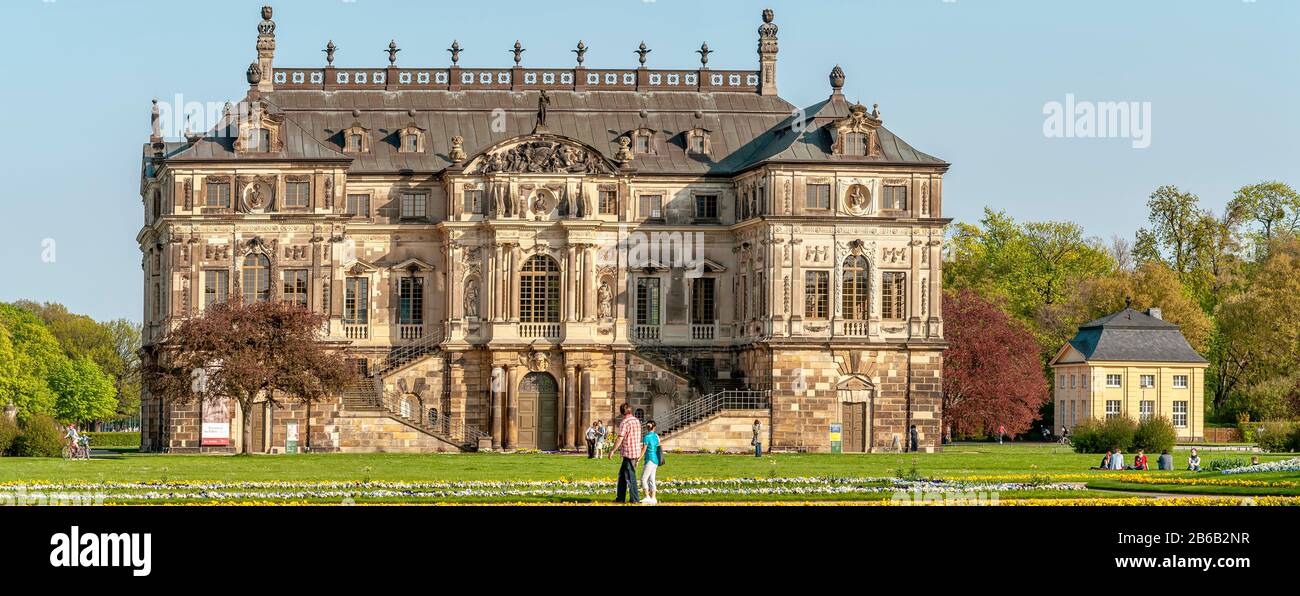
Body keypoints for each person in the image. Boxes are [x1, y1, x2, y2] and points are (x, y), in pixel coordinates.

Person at [607, 403, 641, 504]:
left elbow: (620, 438)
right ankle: (620, 498)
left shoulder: (625, 422)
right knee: (622, 475)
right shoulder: (636, 421)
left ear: (622, 412)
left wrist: (612, 450)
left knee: (630, 476)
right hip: (635, 451)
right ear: (630, 410)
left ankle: (635, 499)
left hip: (628, 452)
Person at [640, 420, 661, 504]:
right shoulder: (656, 436)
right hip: (655, 459)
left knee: (643, 478)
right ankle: (653, 498)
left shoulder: (646, 437)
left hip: (649, 459)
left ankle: (647, 496)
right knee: (652, 479)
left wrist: (638, 459)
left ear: (647, 427)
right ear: (654, 427)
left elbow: (644, 449)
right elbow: (658, 446)